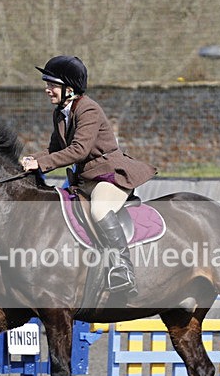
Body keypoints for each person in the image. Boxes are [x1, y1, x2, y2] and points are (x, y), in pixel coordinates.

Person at [21, 55, 156, 297]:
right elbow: (55, 150)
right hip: (85, 181)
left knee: (99, 210)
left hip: (110, 175)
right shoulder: (61, 112)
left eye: (52, 84)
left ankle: (122, 269)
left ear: (69, 89)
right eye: (47, 83)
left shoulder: (88, 109)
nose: (47, 89)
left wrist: (40, 164)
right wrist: (31, 160)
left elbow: (78, 151)